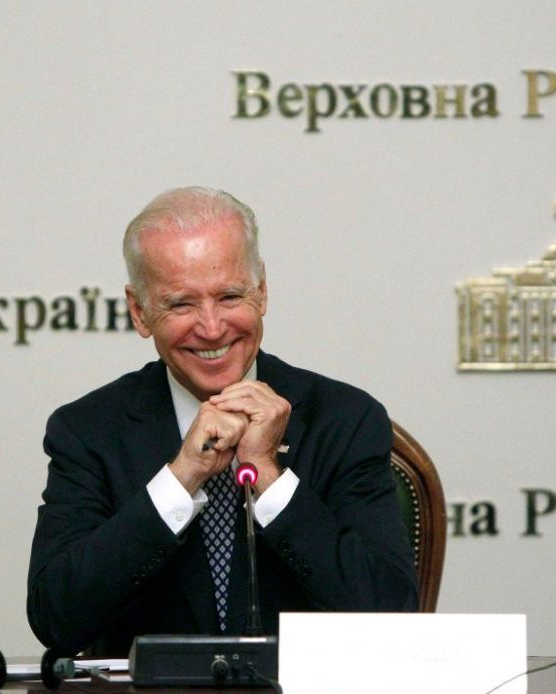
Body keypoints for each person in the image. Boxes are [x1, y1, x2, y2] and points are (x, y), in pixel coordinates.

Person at [27, 187, 417, 656]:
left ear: (262, 291)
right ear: (139, 311)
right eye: (181, 304)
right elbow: (57, 619)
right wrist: (181, 478)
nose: (212, 328)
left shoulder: (344, 420)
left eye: (230, 296)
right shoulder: (89, 431)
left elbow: (391, 615)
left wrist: (269, 477)